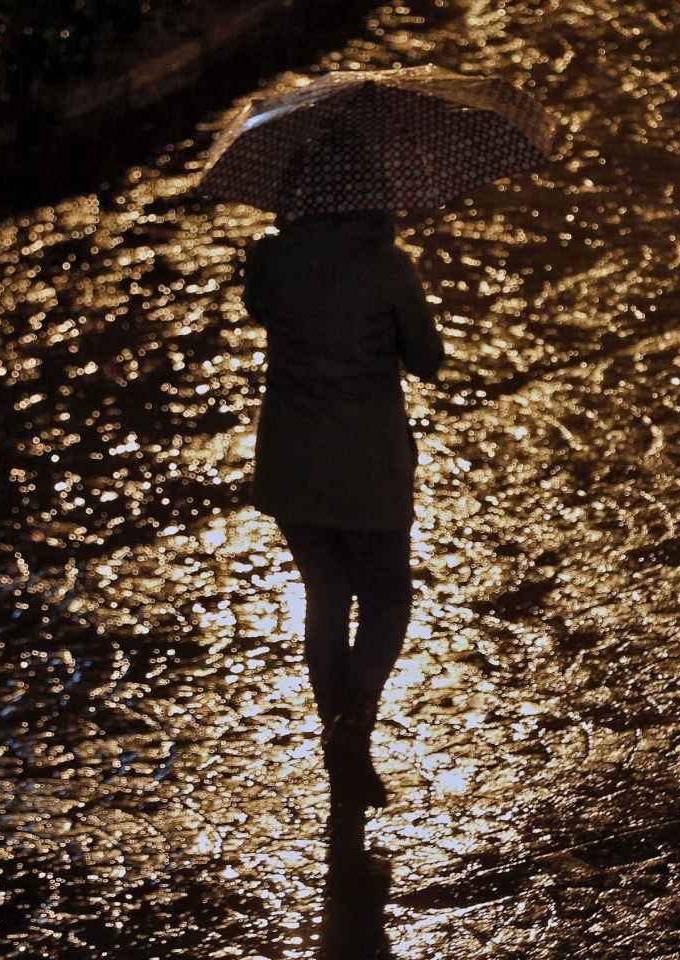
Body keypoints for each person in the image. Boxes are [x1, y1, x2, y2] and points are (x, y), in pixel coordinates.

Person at [240, 209, 444, 855]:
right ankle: (353, 723)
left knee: (326, 596)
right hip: (368, 464)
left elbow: (259, 309)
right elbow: (428, 359)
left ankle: (339, 748)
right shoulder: (387, 266)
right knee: (387, 598)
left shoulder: (271, 260)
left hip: (293, 464)